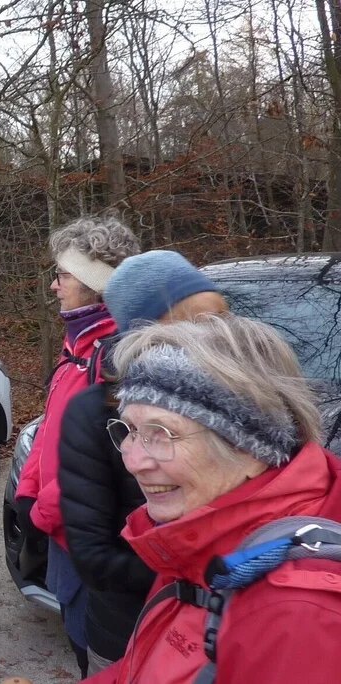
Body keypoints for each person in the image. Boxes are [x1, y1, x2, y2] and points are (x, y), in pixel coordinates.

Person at [85, 314, 341, 684]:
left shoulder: (300, 617)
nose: (134, 461)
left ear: (251, 448)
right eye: (132, 430)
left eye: (163, 433)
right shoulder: (197, 541)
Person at [57, 251, 228, 673]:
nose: (224, 332)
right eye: (202, 319)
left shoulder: (242, 404)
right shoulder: (98, 413)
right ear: (151, 326)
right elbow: (94, 555)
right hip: (129, 636)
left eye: (225, 315)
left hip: (230, 636)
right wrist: (205, 578)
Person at [15, 215, 140, 677]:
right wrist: (29, 490)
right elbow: (50, 431)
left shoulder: (114, 356)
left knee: (101, 656)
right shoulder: (75, 349)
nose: (53, 286)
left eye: (64, 275)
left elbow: (108, 462)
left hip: (95, 536)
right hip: (67, 531)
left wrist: (43, 510)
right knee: (78, 637)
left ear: (94, 283)